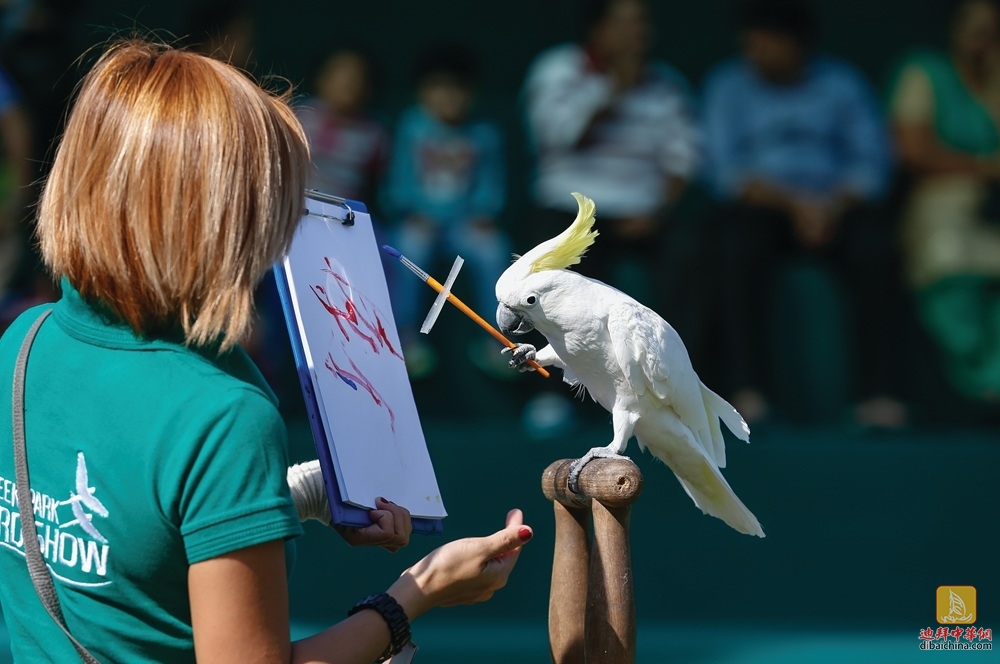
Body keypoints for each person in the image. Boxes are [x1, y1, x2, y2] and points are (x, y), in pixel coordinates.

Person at [0, 40, 532, 663]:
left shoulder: (24, 340)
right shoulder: (224, 411)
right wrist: (414, 596)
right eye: (272, 194)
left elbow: (134, 523)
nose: (286, 220)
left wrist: (301, 494)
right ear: (215, 213)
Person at [701, 0, 906, 427]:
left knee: (877, 249)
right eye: (750, 44)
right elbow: (726, 174)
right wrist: (797, 205)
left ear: (797, 45)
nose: (756, 53)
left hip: (837, 206)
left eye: (766, 44)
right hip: (765, 209)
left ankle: (880, 396)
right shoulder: (729, 85)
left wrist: (829, 205)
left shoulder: (842, 84)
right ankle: (747, 392)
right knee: (734, 245)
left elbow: (872, 165)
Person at [521, 0, 699, 308]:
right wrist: (615, 90)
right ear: (599, 28)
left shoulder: (666, 84)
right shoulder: (558, 68)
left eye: (643, 23)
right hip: (571, 210)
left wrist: (655, 212)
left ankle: (682, 356)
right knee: (551, 265)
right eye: (626, 23)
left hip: (643, 213)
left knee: (692, 248)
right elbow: (558, 136)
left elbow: (682, 163)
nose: (638, 32)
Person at [887, 0, 1000, 403]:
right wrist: (985, 168)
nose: (982, 39)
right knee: (952, 277)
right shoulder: (925, 72)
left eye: (992, 29)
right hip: (941, 211)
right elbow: (913, 149)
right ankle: (977, 387)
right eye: (975, 28)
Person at [384, 42, 510, 379]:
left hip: (463, 222)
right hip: (420, 220)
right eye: (439, 89)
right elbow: (399, 178)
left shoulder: (483, 133)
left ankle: (495, 339)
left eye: (458, 90)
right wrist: (408, 208)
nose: (448, 98)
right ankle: (405, 338)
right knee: (408, 246)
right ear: (421, 92)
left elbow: (490, 183)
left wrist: (485, 212)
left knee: (491, 247)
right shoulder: (411, 126)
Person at [295, 47, 390, 203]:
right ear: (321, 79)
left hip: (347, 216)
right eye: (340, 74)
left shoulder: (375, 135)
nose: (348, 82)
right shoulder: (299, 116)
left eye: (356, 77)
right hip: (298, 206)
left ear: (369, 88)